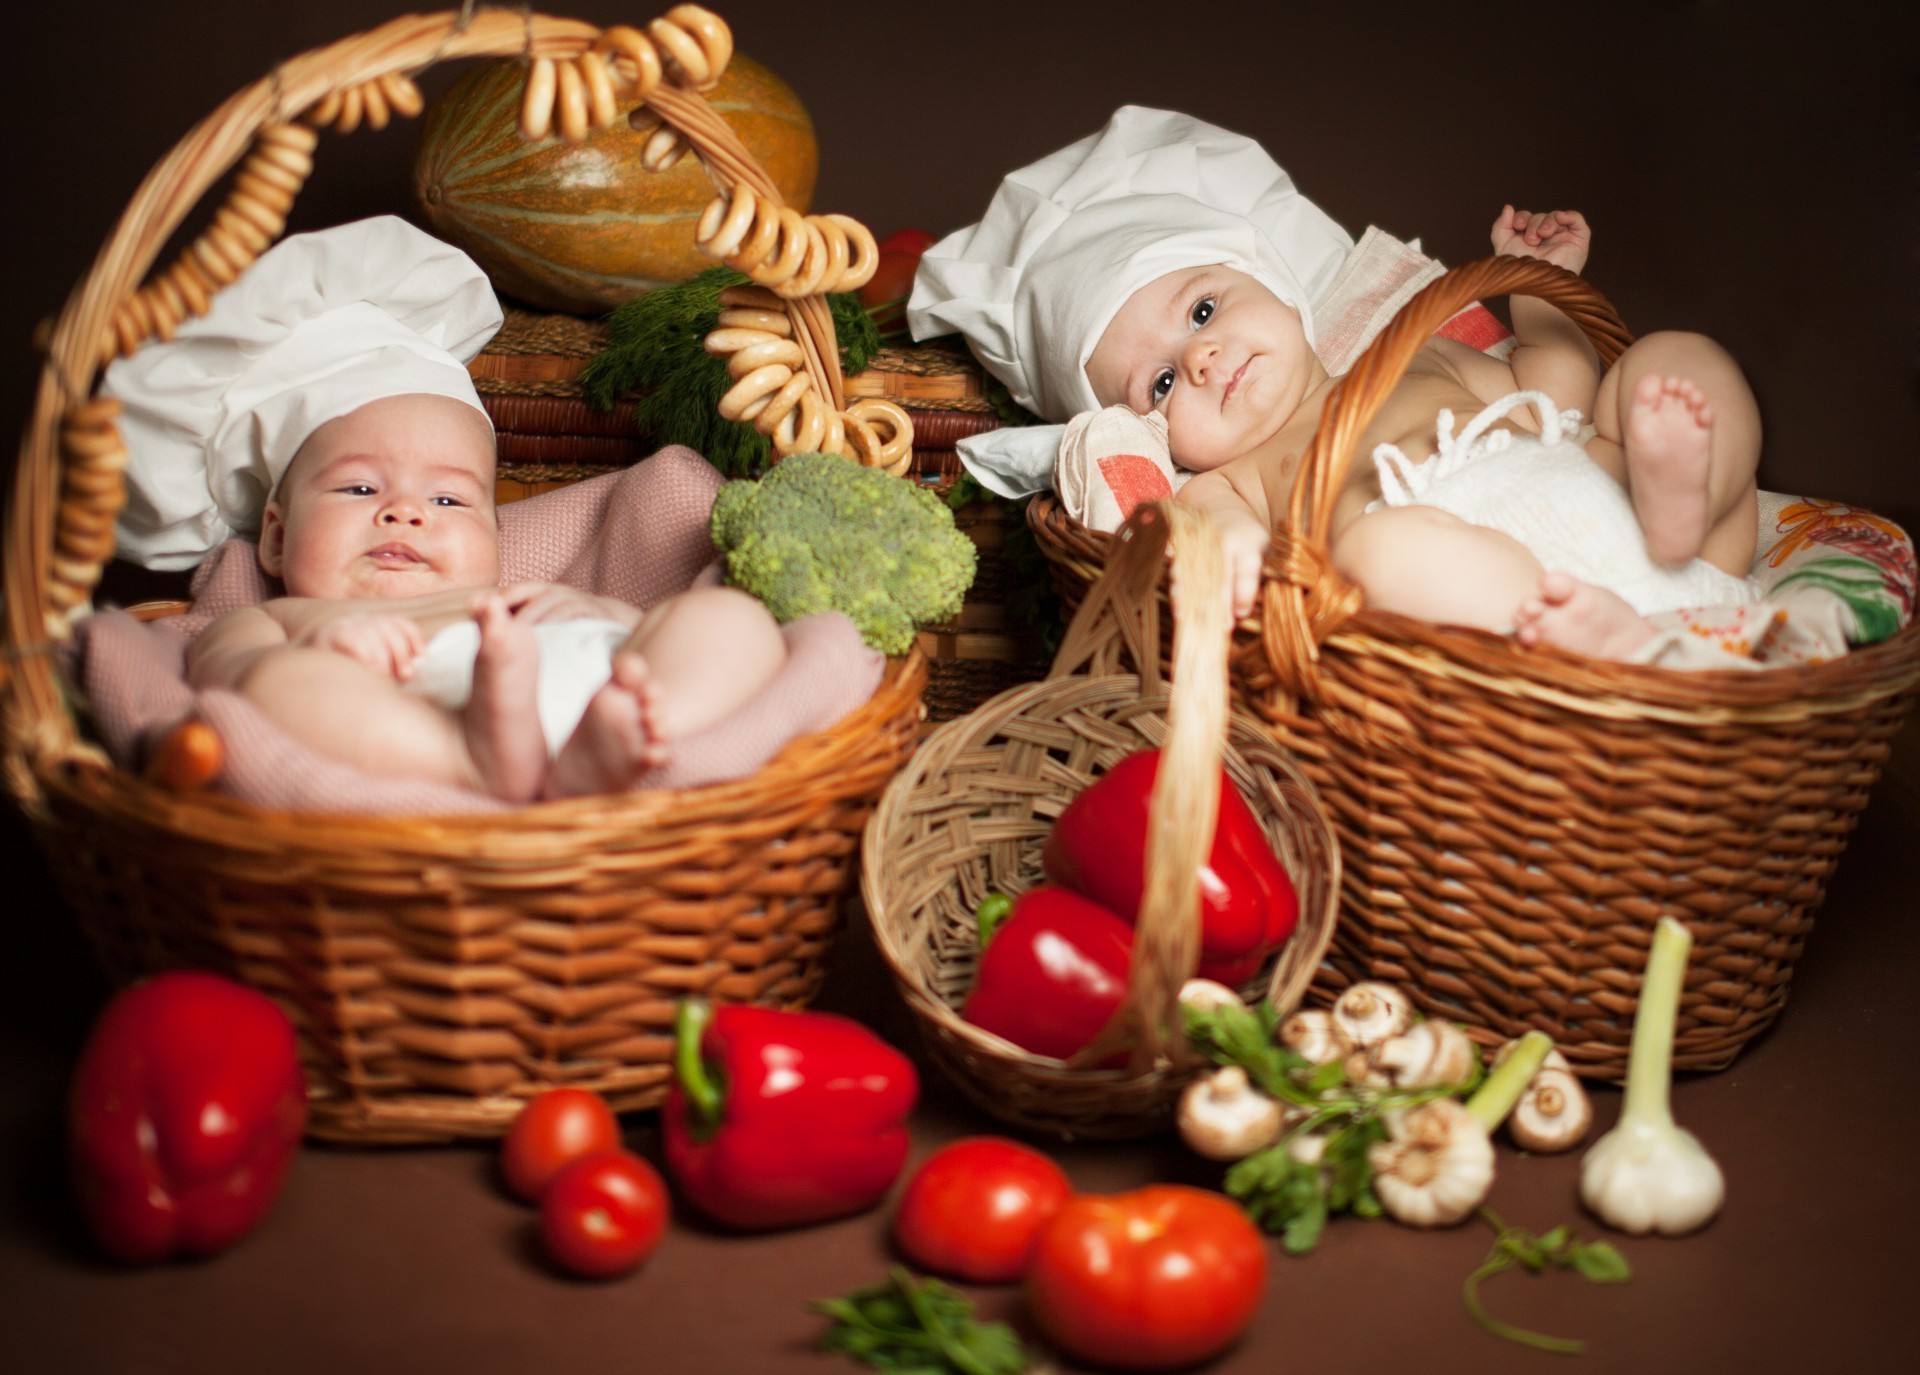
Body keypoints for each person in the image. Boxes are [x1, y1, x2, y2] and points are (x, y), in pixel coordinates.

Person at [911, 107, 1763, 660]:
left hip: (1642, 526)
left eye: (1204, 310)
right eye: (1162, 381)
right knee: (1376, 552)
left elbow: (1563, 395)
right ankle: (1605, 650)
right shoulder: (1229, 477)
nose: (1202, 360)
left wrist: (1535, 291)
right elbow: (1197, 536)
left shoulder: (1413, 349)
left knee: (1668, 367)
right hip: (1516, 622)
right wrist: (1231, 560)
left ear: (1279, 290)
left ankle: (1684, 494)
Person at [105, 216, 787, 802]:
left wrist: (600, 615)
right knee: (278, 687)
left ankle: (656, 724)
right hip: (428, 722)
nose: (405, 513)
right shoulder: (271, 619)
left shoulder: (524, 595)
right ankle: (476, 762)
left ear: (494, 534)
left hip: (593, 691)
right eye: (360, 489)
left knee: (730, 617)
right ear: (276, 538)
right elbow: (219, 674)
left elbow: (636, 624)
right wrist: (324, 646)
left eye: (447, 498)